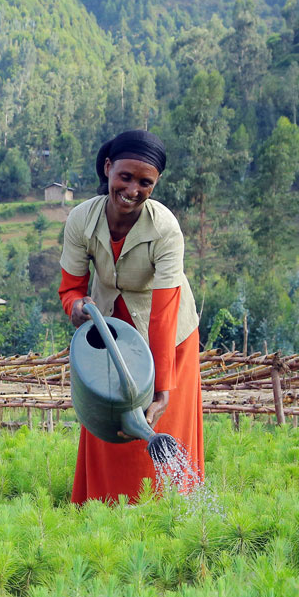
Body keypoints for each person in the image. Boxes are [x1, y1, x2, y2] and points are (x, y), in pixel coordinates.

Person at [58, 130, 203, 503]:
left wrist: (161, 388)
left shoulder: (165, 229)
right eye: (125, 177)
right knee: (109, 422)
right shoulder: (81, 219)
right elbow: (71, 286)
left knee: (160, 420)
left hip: (168, 337)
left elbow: (163, 312)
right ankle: (105, 510)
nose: (132, 189)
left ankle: (169, 512)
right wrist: (75, 307)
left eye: (145, 182)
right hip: (110, 332)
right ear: (108, 168)